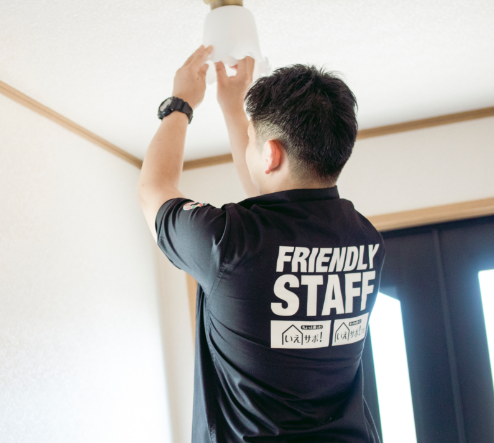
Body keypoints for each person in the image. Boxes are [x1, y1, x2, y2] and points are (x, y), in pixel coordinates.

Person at [138, 45, 384, 442]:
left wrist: (180, 104)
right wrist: (234, 108)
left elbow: (154, 189)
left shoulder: (228, 243)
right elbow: (273, 204)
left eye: (251, 139)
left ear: (269, 154)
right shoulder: (365, 241)